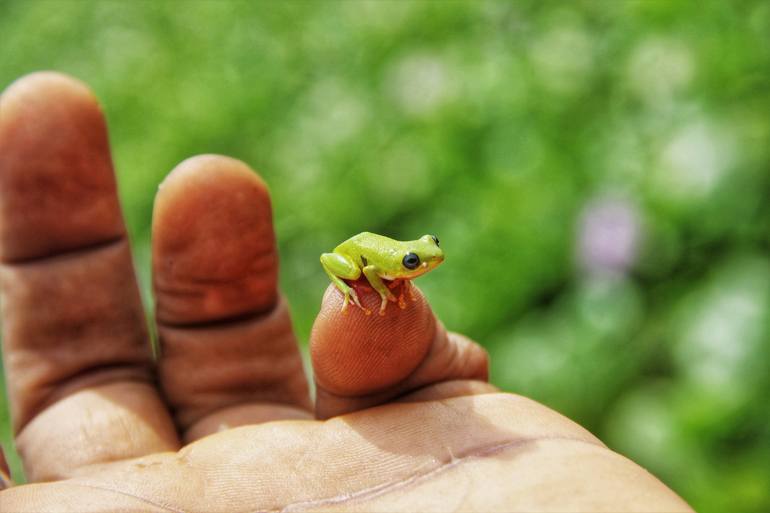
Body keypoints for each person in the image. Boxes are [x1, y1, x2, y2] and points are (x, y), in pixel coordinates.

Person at [0, 72, 692, 512]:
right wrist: (373, 288)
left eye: (423, 258)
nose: (426, 266)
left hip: (377, 276)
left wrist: (397, 292)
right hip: (357, 262)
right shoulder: (387, 271)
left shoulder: (408, 278)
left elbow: (408, 270)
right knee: (355, 288)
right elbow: (356, 261)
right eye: (419, 261)